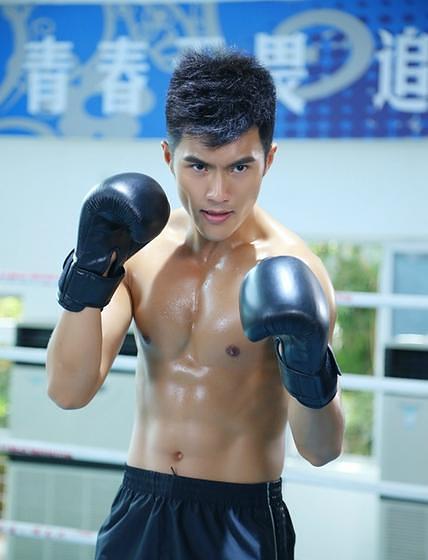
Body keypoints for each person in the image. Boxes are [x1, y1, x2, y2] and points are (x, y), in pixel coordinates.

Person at [46, 47, 345, 560]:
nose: (218, 192)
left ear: (269, 160)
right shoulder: (138, 252)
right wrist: (89, 274)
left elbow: (321, 450)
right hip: (140, 507)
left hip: (238, 523)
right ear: (168, 157)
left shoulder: (295, 271)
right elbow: (67, 391)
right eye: (199, 166)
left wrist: (307, 362)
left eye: (240, 166)